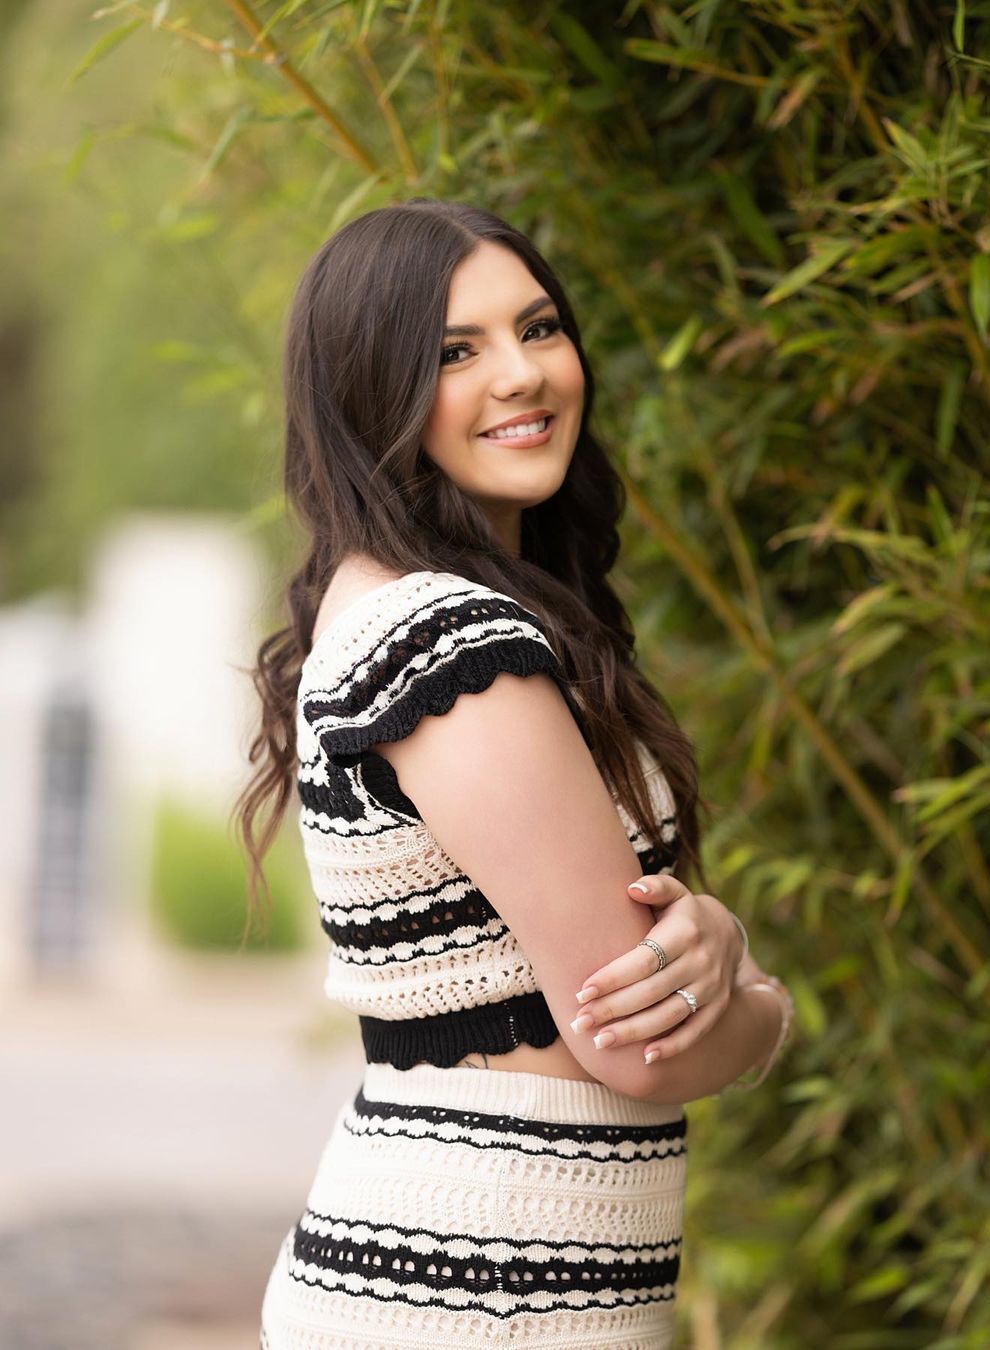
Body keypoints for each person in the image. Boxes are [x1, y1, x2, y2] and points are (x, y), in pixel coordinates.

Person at [236, 197, 794, 1349]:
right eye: (455, 352)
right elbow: (640, 1044)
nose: (522, 374)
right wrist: (758, 996)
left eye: (539, 328)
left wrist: (716, 967)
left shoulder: (394, 607)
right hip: (477, 1296)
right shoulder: (445, 643)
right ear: (372, 392)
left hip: (480, 1279)